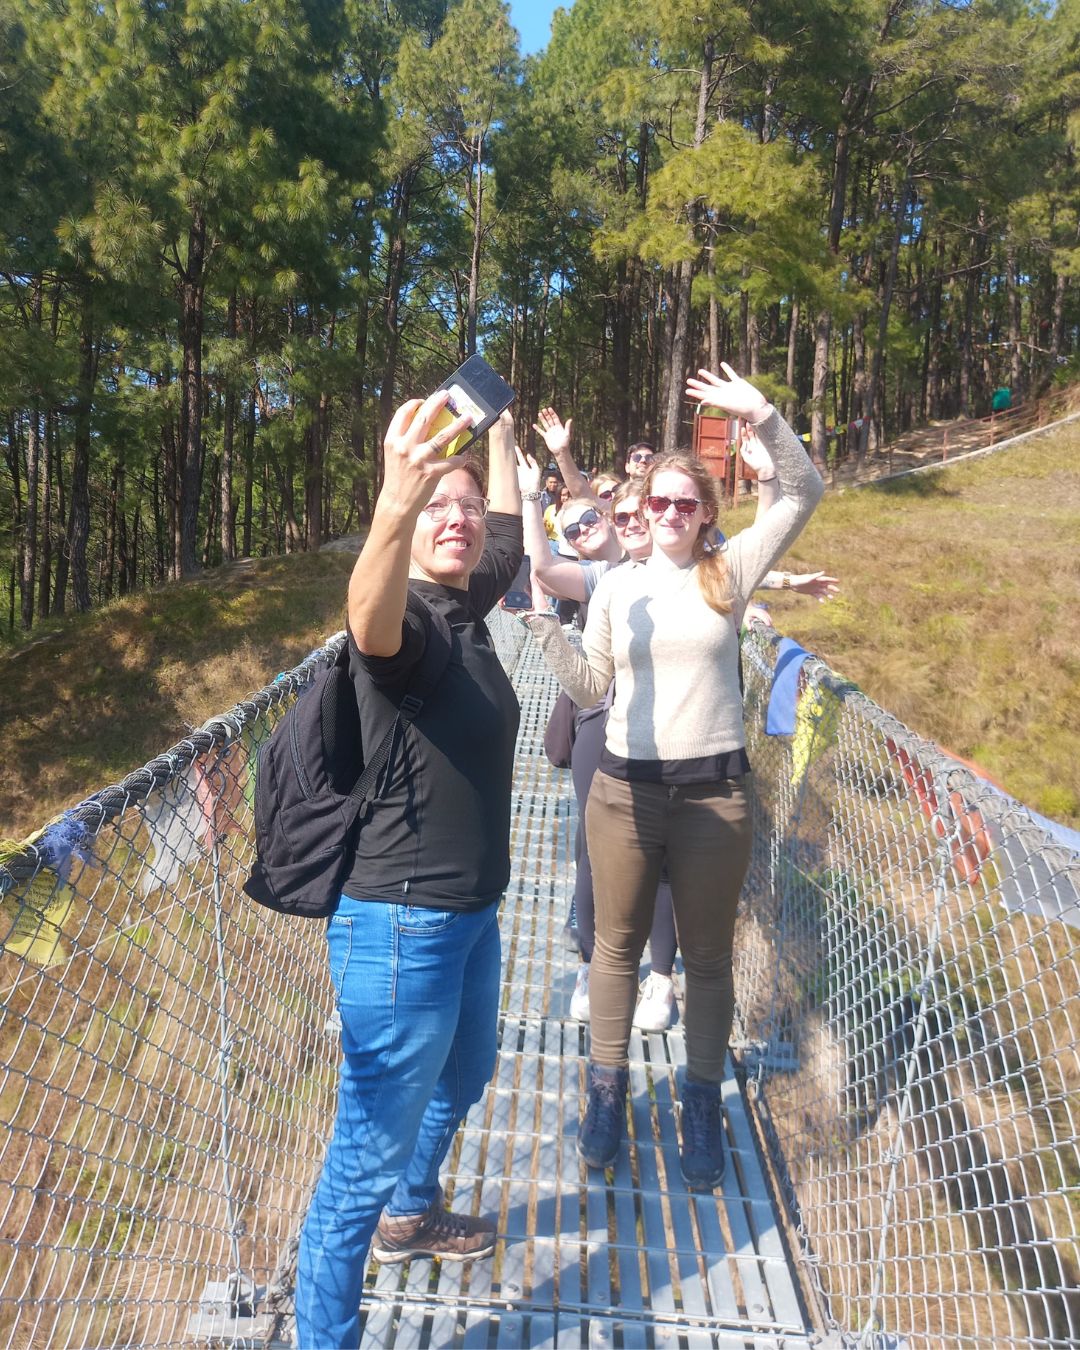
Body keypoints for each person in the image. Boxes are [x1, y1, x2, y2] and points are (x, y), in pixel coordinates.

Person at [523, 364, 824, 1191]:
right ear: (642, 510)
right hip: (623, 790)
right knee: (615, 951)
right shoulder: (618, 586)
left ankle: (697, 1101)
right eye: (656, 503)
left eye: (685, 505)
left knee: (708, 957)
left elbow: (802, 490)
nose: (668, 515)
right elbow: (590, 688)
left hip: (715, 795)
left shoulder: (728, 573)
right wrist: (548, 632)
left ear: (705, 516)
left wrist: (760, 412)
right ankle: (606, 1094)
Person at [295, 393, 523, 1350]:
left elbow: (508, 539)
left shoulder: (467, 603)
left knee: (466, 1073)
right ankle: (326, 1335)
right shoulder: (411, 629)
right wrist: (400, 498)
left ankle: (413, 1212)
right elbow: (366, 618)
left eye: (463, 505)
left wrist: (502, 433)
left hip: (469, 916)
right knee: (360, 1160)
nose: (459, 517)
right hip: (400, 930)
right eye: (441, 505)